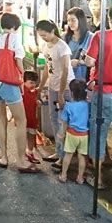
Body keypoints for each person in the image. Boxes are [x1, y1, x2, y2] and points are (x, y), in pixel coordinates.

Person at [0, 13, 38, 172]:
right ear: (15, 27)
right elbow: (18, 61)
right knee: (21, 120)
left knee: (1, 119)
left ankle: (4, 157)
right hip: (8, 83)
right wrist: (23, 80)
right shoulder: (14, 38)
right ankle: (21, 161)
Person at [36, 19, 75, 171]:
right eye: (41, 36)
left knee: (63, 121)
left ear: (53, 31)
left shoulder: (62, 47)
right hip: (53, 87)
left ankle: (64, 157)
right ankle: (59, 152)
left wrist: (60, 94)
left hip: (65, 88)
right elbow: (48, 67)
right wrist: (41, 86)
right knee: (54, 118)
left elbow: (65, 71)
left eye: (45, 35)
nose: (43, 38)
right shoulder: (46, 46)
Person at [85, 6, 112, 189]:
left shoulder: (101, 36)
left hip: (104, 92)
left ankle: (99, 179)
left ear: (110, 18)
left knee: (99, 135)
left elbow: (89, 61)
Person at [58, 79, 90, 184]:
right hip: (84, 135)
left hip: (72, 134)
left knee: (68, 155)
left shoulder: (69, 106)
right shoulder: (87, 105)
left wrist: (62, 134)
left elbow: (64, 122)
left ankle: (63, 175)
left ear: (72, 93)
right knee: (82, 156)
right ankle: (80, 178)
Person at [63, 7, 93, 80]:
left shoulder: (91, 37)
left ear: (80, 20)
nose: (70, 23)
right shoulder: (64, 37)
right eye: (68, 20)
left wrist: (79, 62)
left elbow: (94, 61)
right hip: (66, 77)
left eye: (73, 20)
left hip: (83, 80)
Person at [22, 70, 42, 164]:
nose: (33, 85)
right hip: (24, 119)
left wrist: (38, 103)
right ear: (24, 82)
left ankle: (30, 151)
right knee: (23, 136)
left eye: (34, 83)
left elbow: (36, 101)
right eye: (31, 82)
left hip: (33, 120)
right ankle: (23, 153)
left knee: (32, 136)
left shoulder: (34, 92)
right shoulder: (22, 92)